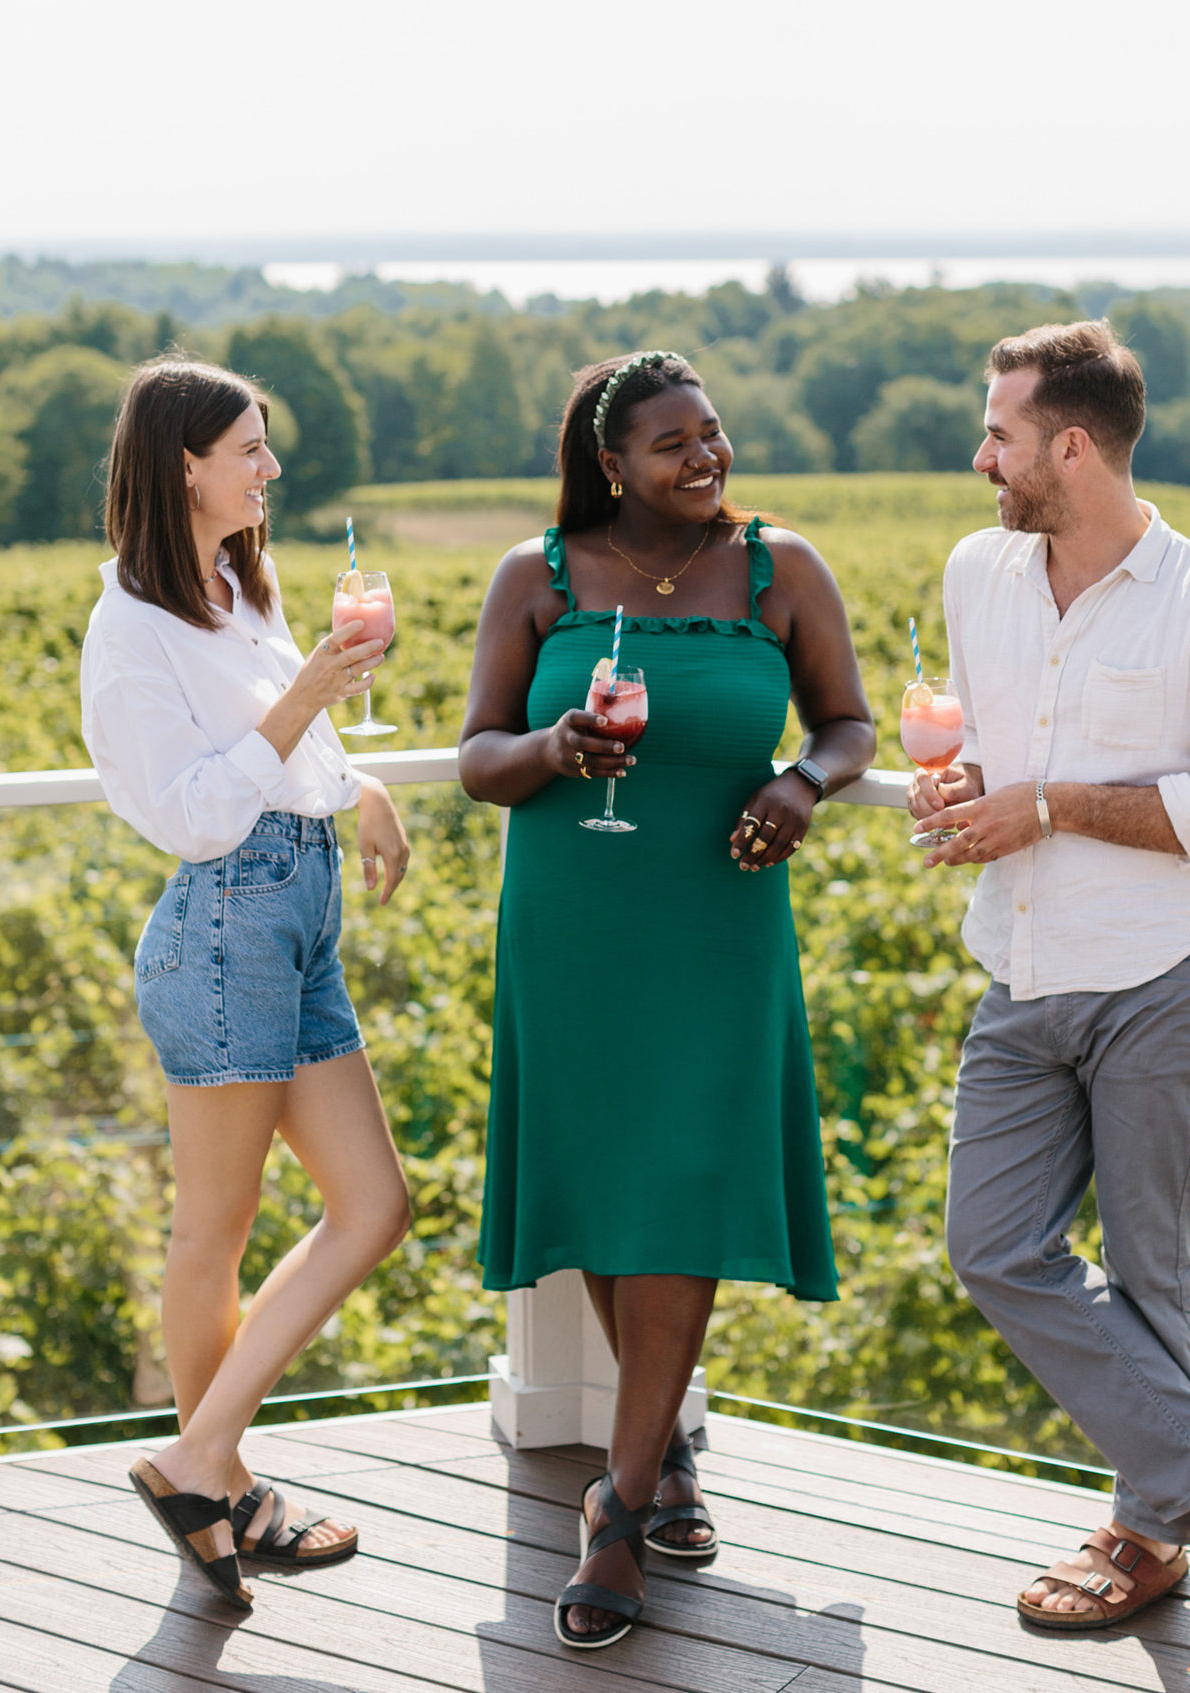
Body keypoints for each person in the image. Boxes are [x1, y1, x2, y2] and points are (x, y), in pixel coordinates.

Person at [460, 350, 875, 1649]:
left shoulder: (780, 568)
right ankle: (666, 1456)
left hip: (718, 920)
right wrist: (555, 748)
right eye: (672, 444)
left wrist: (803, 786)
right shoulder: (535, 577)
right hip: (574, 926)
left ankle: (619, 1507)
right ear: (609, 462)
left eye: (714, 434)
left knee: (686, 1187)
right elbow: (480, 757)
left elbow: (849, 725)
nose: (705, 459)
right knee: (600, 1190)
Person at [909, 320, 1190, 1650]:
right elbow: (985, 743)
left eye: (1002, 434)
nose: (983, 457)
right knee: (992, 1242)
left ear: (1070, 447)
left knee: (1153, 1264)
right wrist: (962, 791)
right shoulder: (982, 570)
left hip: (1166, 975)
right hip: (1020, 968)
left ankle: (1146, 1534)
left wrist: (1054, 806)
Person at [80, 358, 413, 1613]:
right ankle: (214, 1479)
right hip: (225, 920)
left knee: (374, 1203)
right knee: (211, 1234)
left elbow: (273, 757)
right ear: (182, 466)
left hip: (295, 909)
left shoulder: (236, 582)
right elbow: (193, 814)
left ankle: (203, 1462)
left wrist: (354, 780)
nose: (271, 470)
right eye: (250, 450)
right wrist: (307, 701)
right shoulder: (130, 624)